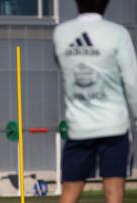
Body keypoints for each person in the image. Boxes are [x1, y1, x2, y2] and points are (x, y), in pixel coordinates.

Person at [53, 0, 137, 203]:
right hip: (114, 126)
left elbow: (62, 67)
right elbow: (131, 81)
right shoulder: (117, 33)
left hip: (79, 126)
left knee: (69, 193)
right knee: (114, 193)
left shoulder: (61, 33)